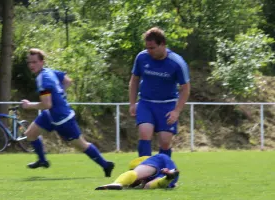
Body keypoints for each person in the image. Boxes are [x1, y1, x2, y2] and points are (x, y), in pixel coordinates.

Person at [20, 48, 115, 177]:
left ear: (42, 62)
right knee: (30, 134)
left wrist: (29, 105)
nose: (31, 65)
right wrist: (60, 94)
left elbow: (47, 104)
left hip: (62, 119)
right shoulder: (50, 72)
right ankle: (42, 160)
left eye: (35, 62)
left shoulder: (43, 79)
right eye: (29, 62)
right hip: (50, 114)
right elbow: (67, 81)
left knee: (82, 146)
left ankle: (106, 165)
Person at [129, 27, 190, 158]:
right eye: (147, 48)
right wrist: (132, 103)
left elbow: (185, 88)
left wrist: (177, 111)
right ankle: (144, 172)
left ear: (162, 44)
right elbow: (134, 80)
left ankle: (163, 173)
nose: (149, 51)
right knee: (145, 134)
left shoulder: (177, 63)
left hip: (167, 105)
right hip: (146, 103)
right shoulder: (142, 57)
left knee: (165, 142)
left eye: (152, 48)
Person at [95, 154, 179, 190]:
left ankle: (116, 183)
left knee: (136, 173)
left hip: (158, 161)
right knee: (148, 186)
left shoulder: (143, 163)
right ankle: (168, 178)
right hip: (170, 171)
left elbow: (135, 173)